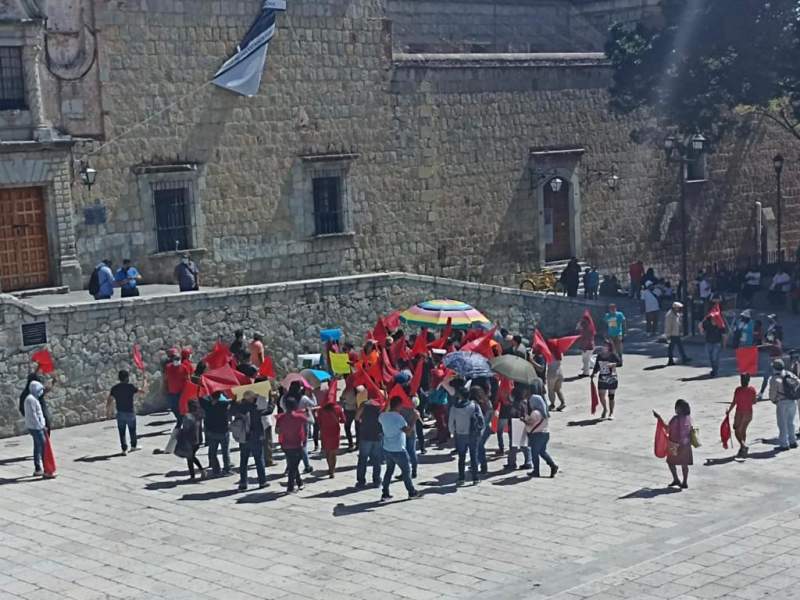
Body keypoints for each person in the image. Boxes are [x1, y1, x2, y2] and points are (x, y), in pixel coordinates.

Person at [379, 397, 421, 501]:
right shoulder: (399, 418)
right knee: (406, 472)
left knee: (389, 471)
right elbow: (408, 432)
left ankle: (385, 493)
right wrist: (415, 419)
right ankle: (411, 492)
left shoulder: (382, 416)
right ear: (398, 406)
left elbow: (382, 413)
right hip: (398, 449)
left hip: (387, 448)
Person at [231, 391, 269, 490]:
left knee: (243, 461)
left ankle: (243, 483)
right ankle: (262, 481)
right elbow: (268, 410)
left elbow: (230, 411)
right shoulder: (255, 408)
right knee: (259, 460)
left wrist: (234, 400)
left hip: (244, 437)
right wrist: (272, 400)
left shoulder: (239, 407)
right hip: (255, 437)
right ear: (251, 398)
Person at [448, 384, 484, 486]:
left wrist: (453, 432)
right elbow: (481, 420)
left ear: (460, 396)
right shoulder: (474, 406)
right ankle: (475, 478)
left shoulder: (454, 408)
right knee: (473, 456)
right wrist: (480, 432)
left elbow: (450, 423)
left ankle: (461, 478)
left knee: (461, 457)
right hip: (472, 434)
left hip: (460, 434)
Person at [654, 399, 693, 489]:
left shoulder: (675, 419)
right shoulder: (688, 418)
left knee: (671, 462)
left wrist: (659, 418)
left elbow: (667, 429)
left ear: (678, 409)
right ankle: (685, 482)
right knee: (684, 464)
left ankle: (676, 479)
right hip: (685, 444)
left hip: (674, 444)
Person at [106, 370, 146, 455]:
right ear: (127, 378)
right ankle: (133, 446)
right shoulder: (130, 387)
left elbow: (109, 400)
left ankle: (124, 449)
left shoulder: (115, 388)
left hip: (120, 413)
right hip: (130, 412)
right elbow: (142, 391)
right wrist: (145, 381)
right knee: (132, 430)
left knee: (122, 432)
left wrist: (108, 412)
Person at [276, 397, 307, 493]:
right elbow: (310, 421)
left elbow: (277, 431)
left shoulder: (281, 418)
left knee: (292, 464)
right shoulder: (300, 417)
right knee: (293, 466)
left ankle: (300, 482)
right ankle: (290, 487)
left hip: (285, 444)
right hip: (297, 444)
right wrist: (308, 412)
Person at [525, 391, 558, 478]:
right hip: (545, 434)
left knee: (534, 454)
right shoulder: (544, 412)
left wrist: (524, 420)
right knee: (542, 452)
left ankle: (536, 471)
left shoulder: (535, 413)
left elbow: (530, 423)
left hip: (537, 435)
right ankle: (553, 465)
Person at [768, 359, 799, 451]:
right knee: (791, 422)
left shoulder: (774, 379)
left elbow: (772, 393)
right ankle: (793, 441)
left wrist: (774, 400)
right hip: (792, 401)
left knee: (782, 424)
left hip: (782, 402)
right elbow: (798, 382)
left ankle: (784, 444)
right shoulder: (788, 374)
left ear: (774, 368)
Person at [200, 392, 232, 477]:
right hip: (223, 431)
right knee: (225, 451)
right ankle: (227, 469)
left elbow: (200, 398)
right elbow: (233, 401)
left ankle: (216, 470)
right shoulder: (224, 404)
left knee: (213, 452)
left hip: (211, 432)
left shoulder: (207, 405)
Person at [355, 395, 383, 488]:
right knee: (377, 459)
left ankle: (361, 481)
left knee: (363, 459)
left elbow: (357, 418)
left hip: (365, 435)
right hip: (377, 435)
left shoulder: (364, 405)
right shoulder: (381, 405)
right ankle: (377, 480)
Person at [726, 374, 756, 458]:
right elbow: (754, 402)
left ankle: (743, 445)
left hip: (740, 413)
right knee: (743, 431)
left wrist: (729, 411)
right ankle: (742, 449)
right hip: (749, 413)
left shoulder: (738, 390)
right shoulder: (752, 389)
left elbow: (734, 402)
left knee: (736, 430)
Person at [23, 381, 49, 478]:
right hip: (36, 427)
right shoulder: (31, 400)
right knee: (43, 446)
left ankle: (38, 468)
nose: (41, 392)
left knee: (37, 447)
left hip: (35, 427)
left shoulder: (32, 398)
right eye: (40, 390)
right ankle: (46, 469)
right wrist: (41, 426)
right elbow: (34, 416)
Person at [505, 384, 533, 470]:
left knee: (513, 446)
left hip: (515, 425)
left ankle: (511, 463)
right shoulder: (525, 403)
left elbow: (512, 415)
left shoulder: (514, 405)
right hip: (523, 424)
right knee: (524, 445)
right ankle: (528, 461)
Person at [176, 400, 205, 482]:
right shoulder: (199, 415)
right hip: (198, 439)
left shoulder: (187, 417)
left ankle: (195, 474)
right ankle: (199, 472)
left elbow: (186, 429)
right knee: (191, 457)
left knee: (190, 457)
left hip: (189, 440)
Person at [592, 340, 621, 420]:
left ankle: (611, 413)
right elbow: (596, 366)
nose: (604, 347)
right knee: (601, 395)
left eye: (606, 345)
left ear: (609, 346)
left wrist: (613, 364)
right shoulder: (599, 355)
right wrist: (594, 373)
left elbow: (620, 363)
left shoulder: (613, 354)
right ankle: (605, 409)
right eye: (603, 345)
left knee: (611, 396)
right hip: (602, 377)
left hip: (612, 377)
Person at [317, 396, 345, 478]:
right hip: (335, 432)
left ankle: (329, 468)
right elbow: (343, 420)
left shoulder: (321, 410)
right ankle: (332, 471)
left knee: (327, 452)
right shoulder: (338, 408)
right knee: (333, 453)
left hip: (325, 432)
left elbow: (318, 421)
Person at [164, 348, 190, 424]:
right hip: (172, 391)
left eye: (178, 359)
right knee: (173, 407)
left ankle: (181, 420)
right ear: (172, 360)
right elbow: (166, 378)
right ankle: (179, 419)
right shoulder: (168, 367)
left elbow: (187, 379)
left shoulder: (184, 368)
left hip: (181, 392)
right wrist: (166, 387)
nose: (177, 361)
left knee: (182, 408)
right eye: (175, 359)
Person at [699, 304, 727, 377]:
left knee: (715, 357)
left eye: (714, 318)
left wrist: (724, 345)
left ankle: (715, 370)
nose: (713, 319)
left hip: (717, 343)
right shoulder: (707, 323)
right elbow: (702, 331)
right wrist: (700, 327)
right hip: (708, 343)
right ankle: (714, 369)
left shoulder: (720, 325)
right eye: (712, 318)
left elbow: (724, 335)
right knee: (710, 357)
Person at [340, 381, 359, 451]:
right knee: (358, 428)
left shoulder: (347, 390)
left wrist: (343, 403)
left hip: (348, 410)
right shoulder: (358, 389)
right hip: (357, 410)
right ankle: (358, 444)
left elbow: (342, 399)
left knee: (347, 427)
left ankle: (350, 444)